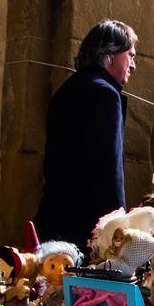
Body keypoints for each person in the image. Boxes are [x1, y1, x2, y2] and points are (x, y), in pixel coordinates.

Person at [34, 20, 137, 253]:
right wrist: (118, 228)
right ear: (109, 55)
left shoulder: (67, 89)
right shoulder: (104, 94)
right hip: (84, 224)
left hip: (54, 214)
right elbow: (109, 171)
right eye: (129, 55)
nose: (134, 64)